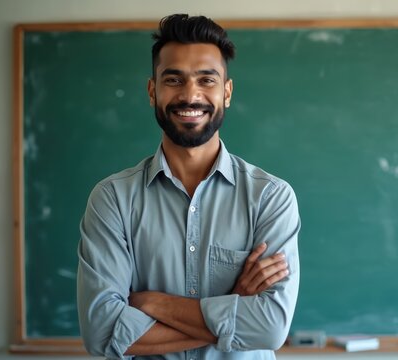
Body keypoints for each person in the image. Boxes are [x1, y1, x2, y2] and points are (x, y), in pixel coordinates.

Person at [77, 14, 300, 360]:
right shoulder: (112, 200)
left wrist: (153, 303)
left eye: (206, 80)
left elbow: (269, 329)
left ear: (226, 93)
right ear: (153, 92)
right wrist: (234, 306)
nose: (190, 95)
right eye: (173, 79)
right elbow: (102, 333)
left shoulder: (270, 198)